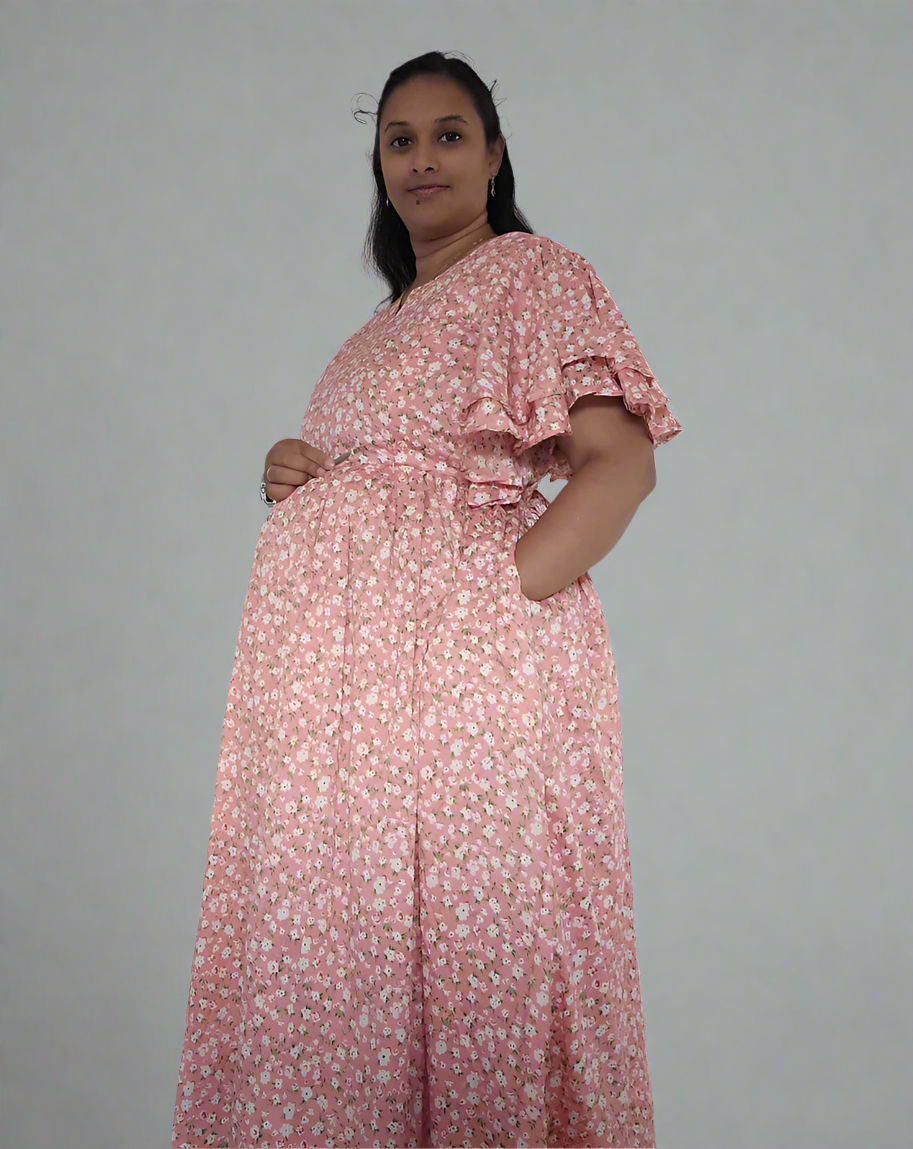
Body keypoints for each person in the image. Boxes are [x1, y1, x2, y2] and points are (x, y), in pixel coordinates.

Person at [172, 50, 682, 1149]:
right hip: (345, 696)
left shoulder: (532, 274)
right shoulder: (379, 327)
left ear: (494, 156)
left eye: (448, 134)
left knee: (477, 935)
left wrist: (492, 603)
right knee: (345, 947)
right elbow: (384, 471)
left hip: (460, 669)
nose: (420, 158)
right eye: (397, 139)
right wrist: (295, 473)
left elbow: (620, 463)